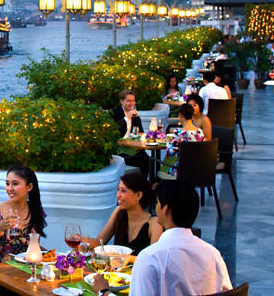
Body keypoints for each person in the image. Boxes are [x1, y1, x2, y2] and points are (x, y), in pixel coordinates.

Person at [93, 180, 232, 296]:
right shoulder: (213, 254)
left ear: (165, 209)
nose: (155, 207)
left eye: (158, 203)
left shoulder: (150, 257)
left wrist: (104, 291)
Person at [0, 165, 47, 264]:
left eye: (15, 184)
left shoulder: (34, 211)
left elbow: (33, 248)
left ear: (29, 187)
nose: (10, 188)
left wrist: (53, 255)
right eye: (7, 184)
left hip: (26, 271)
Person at [84, 171, 162, 256]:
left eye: (123, 191)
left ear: (138, 195)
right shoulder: (119, 212)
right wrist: (81, 241)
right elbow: (99, 243)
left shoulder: (154, 224)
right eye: (118, 190)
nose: (118, 195)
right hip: (114, 268)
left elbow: (154, 259)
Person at [111, 90, 149, 176]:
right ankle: (143, 184)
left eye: (133, 101)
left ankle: (153, 183)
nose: (132, 103)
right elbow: (114, 132)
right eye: (129, 101)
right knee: (144, 159)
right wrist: (126, 118)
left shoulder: (136, 118)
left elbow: (141, 134)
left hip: (132, 148)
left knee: (151, 160)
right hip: (119, 150)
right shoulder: (115, 113)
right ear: (121, 101)